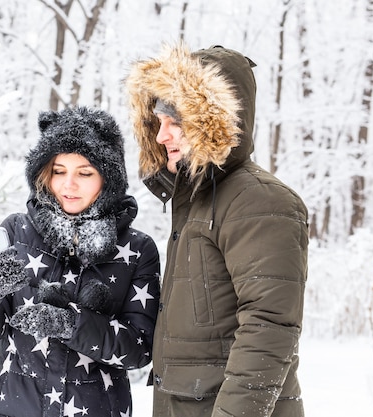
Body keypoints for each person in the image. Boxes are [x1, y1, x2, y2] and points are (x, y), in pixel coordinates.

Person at [125, 43, 309, 417]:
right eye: (159, 123)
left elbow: (268, 328)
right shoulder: (195, 199)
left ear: (212, 122)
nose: (162, 137)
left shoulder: (260, 201)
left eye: (175, 122)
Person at [0, 106, 161, 417]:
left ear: (108, 178)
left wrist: (70, 324)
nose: (69, 184)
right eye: (58, 171)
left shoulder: (137, 249)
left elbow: (139, 350)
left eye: (84, 173)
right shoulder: (17, 231)